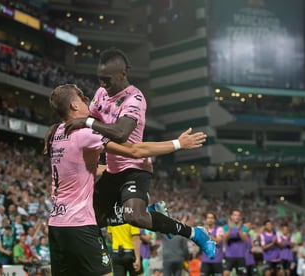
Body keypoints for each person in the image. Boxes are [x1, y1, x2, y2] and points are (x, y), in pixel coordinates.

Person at [64, 47, 215, 258]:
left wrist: (87, 121)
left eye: (107, 79)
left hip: (136, 168)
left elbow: (120, 133)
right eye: (99, 79)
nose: (102, 85)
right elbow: (91, 129)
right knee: (91, 218)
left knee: (134, 216)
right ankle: (150, 215)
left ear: (122, 74)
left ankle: (195, 233)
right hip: (113, 170)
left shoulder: (135, 99)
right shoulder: (101, 94)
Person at [44, 83, 209, 276]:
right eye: (82, 97)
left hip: (56, 225)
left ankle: (147, 215)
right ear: (73, 106)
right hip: (80, 224)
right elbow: (134, 150)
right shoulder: (84, 133)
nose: (87, 100)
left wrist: (111, 170)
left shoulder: (55, 133)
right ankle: (148, 215)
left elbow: (82, 170)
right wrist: (178, 143)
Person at [223, 209, 248, 276]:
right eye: (235, 215)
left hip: (240, 256)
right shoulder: (226, 227)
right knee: (225, 273)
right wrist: (230, 228)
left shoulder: (244, 227)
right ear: (231, 217)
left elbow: (244, 239)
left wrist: (239, 229)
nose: (237, 217)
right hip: (229, 256)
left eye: (238, 215)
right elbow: (225, 238)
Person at [201, 212, 224, 276]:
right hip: (205, 260)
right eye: (208, 218)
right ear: (206, 220)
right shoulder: (202, 230)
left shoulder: (219, 229)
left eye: (212, 218)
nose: (210, 220)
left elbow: (217, 241)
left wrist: (207, 233)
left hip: (216, 260)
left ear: (215, 220)